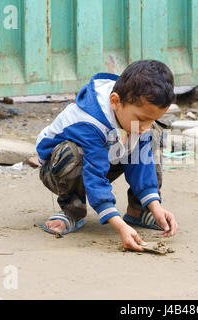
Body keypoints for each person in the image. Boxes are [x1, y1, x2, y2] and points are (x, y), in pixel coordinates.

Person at [36, 60, 178, 251]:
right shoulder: (88, 121)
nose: (145, 125)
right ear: (115, 101)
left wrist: (155, 206)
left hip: (107, 156)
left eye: (152, 118)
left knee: (152, 135)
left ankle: (138, 210)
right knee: (73, 153)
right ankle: (72, 211)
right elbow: (94, 174)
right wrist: (119, 226)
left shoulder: (132, 114)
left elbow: (141, 164)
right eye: (142, 119)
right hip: (59, 170)